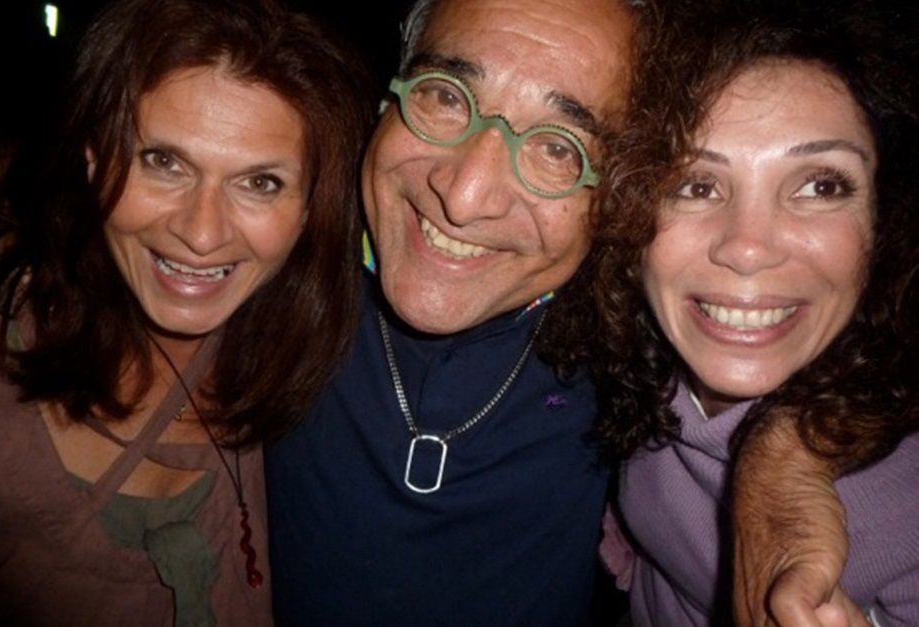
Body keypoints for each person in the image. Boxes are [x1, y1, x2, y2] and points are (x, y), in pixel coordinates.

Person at [265, 0, 861, 624]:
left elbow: (847, 323)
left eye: (558, 147)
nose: (464, 197)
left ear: (624, 192)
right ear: (388, 101)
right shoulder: (276, 263)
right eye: (445, 96)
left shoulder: (629, 338)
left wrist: (781, 462)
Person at [0, 0, 372, 624]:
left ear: (309, 211)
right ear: (94, 161)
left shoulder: (325, 360)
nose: (201, 233)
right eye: (164, 162)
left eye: (260, 183)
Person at [592, 1, 918, 624]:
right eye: (694, 185)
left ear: (887, 221)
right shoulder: (638, 353)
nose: (747, 248)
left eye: (821, 185)